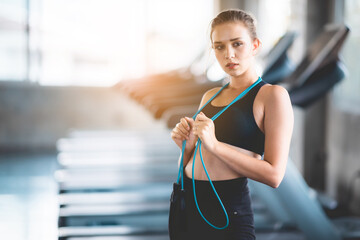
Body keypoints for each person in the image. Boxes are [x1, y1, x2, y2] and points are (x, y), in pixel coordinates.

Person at [170, 9, 294, 240]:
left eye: (237, 44)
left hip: (226, 212)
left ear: (255, 45)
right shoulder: (210, 96)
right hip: (187, 205)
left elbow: (274, 175)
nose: (229, 54)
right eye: (219, 46)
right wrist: (185, 147)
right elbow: (193, 159)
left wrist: (215, 145)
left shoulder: (272, 96)